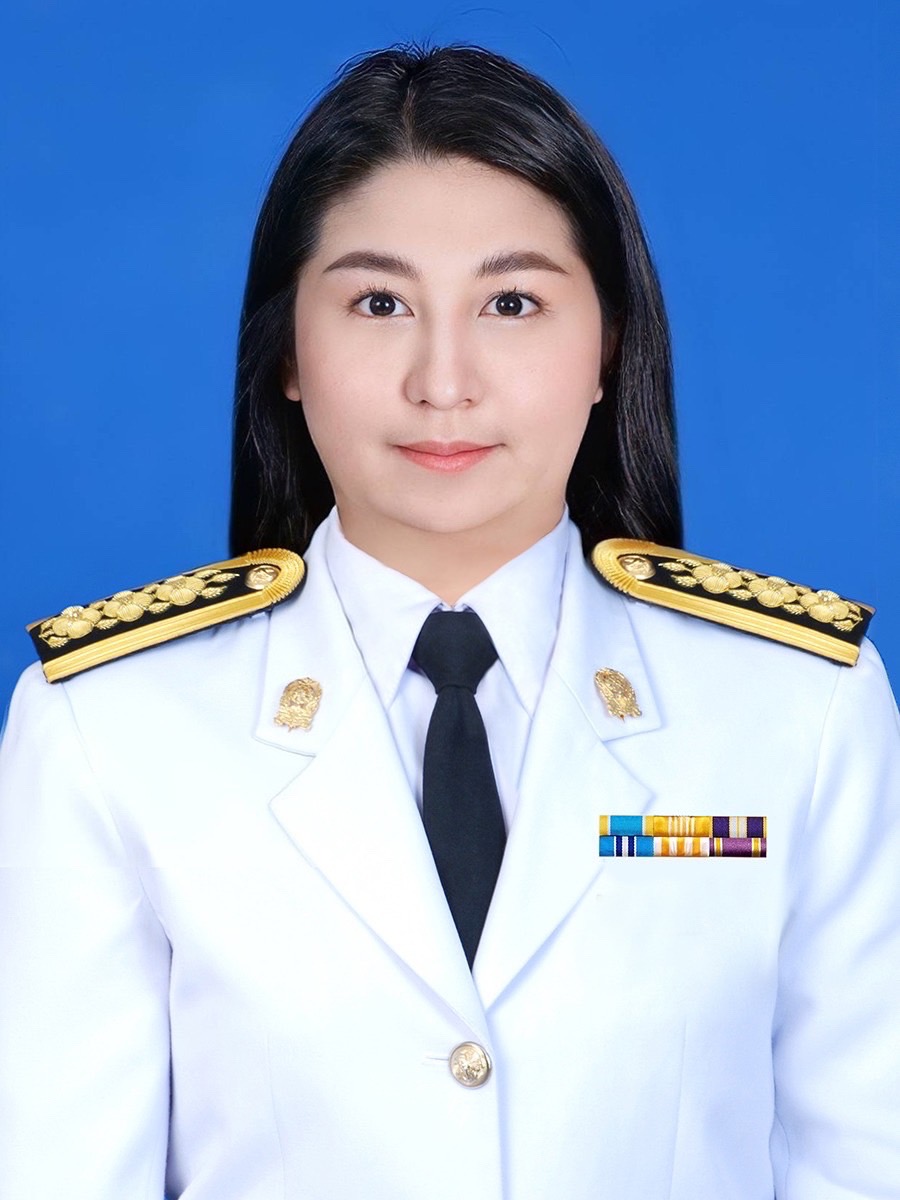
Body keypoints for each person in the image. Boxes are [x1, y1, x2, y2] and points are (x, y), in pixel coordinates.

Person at [1, 43, 898, 1200]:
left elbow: (866, 1159)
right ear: (287, 351)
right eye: (379, 303)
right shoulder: (111, 728)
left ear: (608, 345)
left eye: (511, 304)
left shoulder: (797, 709)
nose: (443, 381)